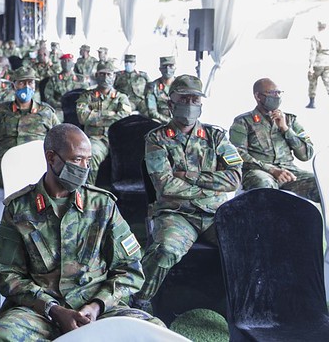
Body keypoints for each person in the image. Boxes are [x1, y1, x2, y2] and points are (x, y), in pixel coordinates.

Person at [0, 124, 161, 341]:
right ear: (51, 158)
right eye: (77, 160)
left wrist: (97, 305)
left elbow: (131, 268)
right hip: (41, 313)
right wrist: (52, 309)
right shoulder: (19, 208)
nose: (85, 168)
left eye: (88, 160)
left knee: (154, 331)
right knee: (0, 335)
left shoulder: (102, 205)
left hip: (98, 309)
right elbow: (7, 275)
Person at [132, 75, 242, 310]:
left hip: (214, 214)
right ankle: (140, 300)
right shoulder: (156, 138)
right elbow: (165, 186)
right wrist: (210, 187)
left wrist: (189, 177)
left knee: (243, 243)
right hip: (177, 214)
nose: (190, 104)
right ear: (171, 103)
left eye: (195, 99)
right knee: (165, 250)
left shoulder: (216, 137)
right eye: (184, 99)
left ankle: (241, 303)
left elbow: (234, 178)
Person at [229, 78, 317, 201]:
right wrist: (271, 170)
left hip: (289, 172)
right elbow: (238, 154)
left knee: (321, 184)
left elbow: (306, 155)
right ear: (258, 96)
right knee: (265, 185)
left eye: (278, 93)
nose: (276, 97)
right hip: (258, 171)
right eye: (272, 93)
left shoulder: (290, 120)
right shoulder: (243, 121)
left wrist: (285, 129)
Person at [0, 66, 59, 190]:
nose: (26, 87)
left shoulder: (47, 113)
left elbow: (59, 144)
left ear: (35, 86)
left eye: (30, 82)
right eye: (21, 83)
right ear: (13, 86)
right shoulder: (0, 113)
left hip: (38, 169)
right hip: (7, 171)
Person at [75, 61, 132, 184]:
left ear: (114, 76)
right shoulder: (87, 96)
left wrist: (95, 115)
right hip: (97, 139)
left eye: (109, 74)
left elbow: (124, 119)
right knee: (92, 155)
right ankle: (88, 189)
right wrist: (111, 114)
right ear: (96, 75)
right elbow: (83, 117)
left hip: (119, 139)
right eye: (102, 74)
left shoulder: (121, 97)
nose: (105, 78)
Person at [143, 56, 176, 124]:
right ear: (160, 69)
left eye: (171, 66)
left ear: (175, 68)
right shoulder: (152, 87)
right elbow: (152, 112)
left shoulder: (181, 86)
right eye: (164, 67)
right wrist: (169, 121)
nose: (167, 69)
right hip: (160, 122)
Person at [307, 20, 329, 108]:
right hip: (327, 61)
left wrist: (310, 66)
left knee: (313, 82)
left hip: (318, 62)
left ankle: (312, 102)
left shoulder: (315, 37)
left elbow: (313, 51)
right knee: (328, 82)